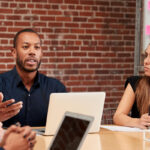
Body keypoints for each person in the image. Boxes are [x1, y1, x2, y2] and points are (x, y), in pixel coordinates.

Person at [0, 28, 66, 127]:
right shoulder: (1, 84)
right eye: (26, 47)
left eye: (37, 47)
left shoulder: (56, 88)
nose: (32, 52)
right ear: (14, 52)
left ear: (41, 53)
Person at [113, 44, 150, 129]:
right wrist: (138, 122)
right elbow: (118, 117)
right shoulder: (135, 83)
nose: (146, 61)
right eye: (146, 55)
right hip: (137, 140)